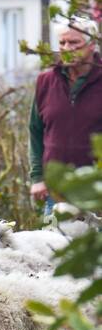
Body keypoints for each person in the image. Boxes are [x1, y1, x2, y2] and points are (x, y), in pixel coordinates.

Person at [29, 25, 102, 210]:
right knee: (55, 239)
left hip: (96, 191)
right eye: (62, 42)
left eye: (74, 42)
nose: (67, 48)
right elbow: (36, 132)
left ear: (92, 44)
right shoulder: (45, 81)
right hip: (56, 192)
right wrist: (38, 178)